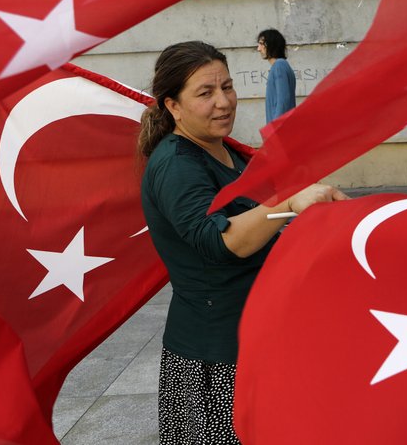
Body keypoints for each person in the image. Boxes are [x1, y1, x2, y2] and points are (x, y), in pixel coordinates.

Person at [138, 41, 348, 444]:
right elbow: (219, 240)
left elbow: (260, 221)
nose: (224, 102)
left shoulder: (223, 150)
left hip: (255, 338)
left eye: (228, 87)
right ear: (173, 106)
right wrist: (287, 203)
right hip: (215, 357)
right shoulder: (177, 164)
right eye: (205, 93)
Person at [257, 28, 296, 123]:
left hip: (280, 130)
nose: (258, 49)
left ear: (272, 45)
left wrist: (274, 128)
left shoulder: (279, 65)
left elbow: (283, 100)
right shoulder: (281, 65)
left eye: (261, 44)